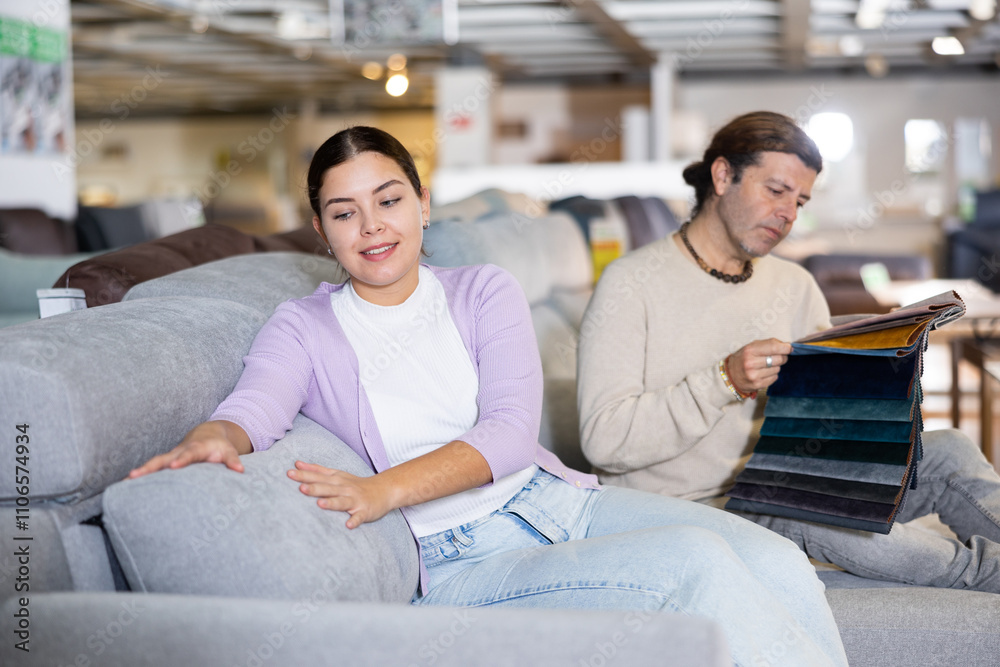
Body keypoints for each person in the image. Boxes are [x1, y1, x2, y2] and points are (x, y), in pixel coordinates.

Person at [130, 125, 848, 667]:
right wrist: (214, 437)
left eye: (389, 200)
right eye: (344, 213)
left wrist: (382, 489)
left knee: (777, 560)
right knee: (697, 563)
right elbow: (254, 406)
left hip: (554, 500)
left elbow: (508, 433)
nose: (372, 226)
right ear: (321, 230)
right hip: (462, 559)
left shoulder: (483, 290)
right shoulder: (304, 325)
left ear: (422, 205)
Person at [578, 110, 1000, 594]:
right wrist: (724, 381)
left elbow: (826, 419)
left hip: (786, 480)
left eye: (799, 201)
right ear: (723, 176)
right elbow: (604, 441)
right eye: (776, 191)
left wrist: (876, 372)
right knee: (813, 513)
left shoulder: (794, 284)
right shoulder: (629, 284)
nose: (788, 214)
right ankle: (987, 575)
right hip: (697, 511)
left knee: (950, 451)